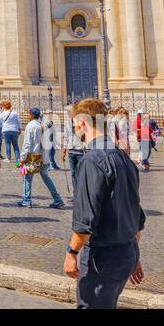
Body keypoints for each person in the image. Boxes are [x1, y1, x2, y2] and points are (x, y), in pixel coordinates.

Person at [62, 98, 146, 309]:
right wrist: (133, 255)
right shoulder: (124, 158)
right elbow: (136, 213)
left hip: (102, 259)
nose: (75, 130)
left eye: (74, 125)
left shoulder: (91, 161)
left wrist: (71, 253)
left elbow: (85, 222)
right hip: (126, 252)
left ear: (82, 123)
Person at [19, 108, 64, 209]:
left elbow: (27, 144)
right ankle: (57, 199)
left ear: (31, 115)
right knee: (46, 177)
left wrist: (22, 157)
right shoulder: (44, 125)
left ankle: (26, 200)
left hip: (32, 157)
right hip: (44, 156)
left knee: (27, 178)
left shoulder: (30, 126)